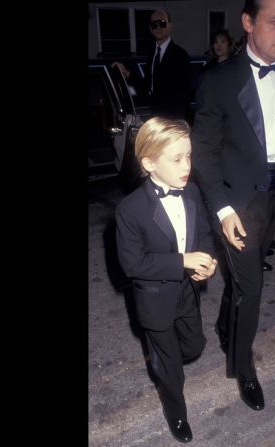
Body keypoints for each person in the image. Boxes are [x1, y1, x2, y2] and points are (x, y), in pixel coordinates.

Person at [190, 0, 275, 412]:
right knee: (253, 286)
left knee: (245, 283)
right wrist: (223, 210)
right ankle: (242, 365)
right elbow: (205, 154)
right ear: (248, 22)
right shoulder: (218, 81)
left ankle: (226, 325)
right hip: (239, 202)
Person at [116, 117, 217, 443]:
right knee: (171, 369)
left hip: (187, 293)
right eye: (176, 159)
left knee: (194, 345)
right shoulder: (130, 210)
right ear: (148, 163)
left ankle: (168, 359)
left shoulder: (192, 192)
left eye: (188, 155)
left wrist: (207, 261)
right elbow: (133, 264)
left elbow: (202, 233)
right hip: (155, 302)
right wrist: (182, 262)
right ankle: (176, 412)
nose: (186, 165)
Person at [112, 9, 191, 120]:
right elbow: (147, 87)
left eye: (162, 23)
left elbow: (182, 95)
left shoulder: (180, 56)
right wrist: (127, 74)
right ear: (150, 28)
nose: (158, 27)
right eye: (154, 24)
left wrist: (173, 125)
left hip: (171, 120)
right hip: (154, 116)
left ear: (170, 26)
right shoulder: (152, 54)